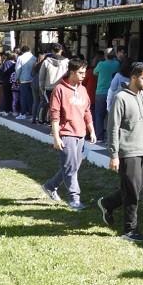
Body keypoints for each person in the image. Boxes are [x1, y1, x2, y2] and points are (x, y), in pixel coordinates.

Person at [98, 62, 143, 242]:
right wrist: (114, 154)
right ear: (133, 77)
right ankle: (130, 229)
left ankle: (107, 203)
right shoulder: (120, 97)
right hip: (127, 151)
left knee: (137, 188)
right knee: (132, 192)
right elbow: (113, 127)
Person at [41, 58, 95, 210]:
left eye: (85, 72)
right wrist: (56, 137)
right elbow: (54, 114)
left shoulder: (83, 90)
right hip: (66, 133)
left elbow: (86, 111)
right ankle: (74, 199)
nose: (84, 75)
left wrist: (91, 129)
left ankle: (50, 186)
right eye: (81, 73)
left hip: (80, 133)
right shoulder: (60, 89)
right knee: (70, 167)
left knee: (73, 166)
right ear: (72, 72)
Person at [93, 48, 121, 141]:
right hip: (113, 92)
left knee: (99, 115)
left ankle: (99, 136)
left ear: (105, 55)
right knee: (111, 116)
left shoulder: (101, 64)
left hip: (101, 91)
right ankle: (110, 137)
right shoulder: (117, 64)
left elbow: (95, 72)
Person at [39, 43, 70, 123]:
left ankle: (51, 123)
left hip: (49, 88)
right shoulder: (67, 62)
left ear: (52, 51)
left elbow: (41, 77)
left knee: (52, 107)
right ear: (61, 50)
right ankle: (60, 123)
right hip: (62, 88)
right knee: (61, 106)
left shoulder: (46, 62)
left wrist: (42, 88)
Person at [14, 45, 36, 120]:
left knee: (23, 97)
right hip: (32, 79)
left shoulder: (20, 58)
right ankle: (31, 112)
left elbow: (18, 69)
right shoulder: (34, 58)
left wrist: (17, 78)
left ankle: (23, 113)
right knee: (31, 97)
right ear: (29, 50)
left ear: (22, 51)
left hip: (23, 79)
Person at [31, 52, 48, 123]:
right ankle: (39, 117)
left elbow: (31, 74)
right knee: (42, 101)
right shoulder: (44, 64)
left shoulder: (34, 64)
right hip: (40, 83)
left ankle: (33, 118)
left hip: (34, 82)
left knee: (35, 102)